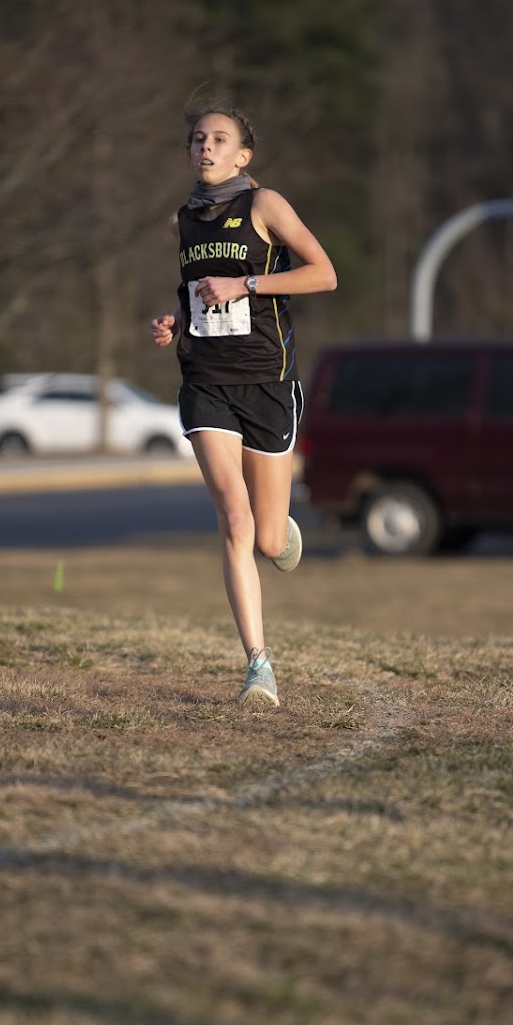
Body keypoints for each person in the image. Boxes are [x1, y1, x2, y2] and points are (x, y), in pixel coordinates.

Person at [151, 104, 337, 707]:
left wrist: (246, 283)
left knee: (266, 541)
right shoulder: (181, 222)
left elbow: (324, 274)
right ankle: (259, 666)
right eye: (197, 139)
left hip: (267, 381)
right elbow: (197, 296)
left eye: (218, 139)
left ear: (242, 155)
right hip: (206, 382)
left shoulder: (265, 205)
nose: (205, 147)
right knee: (234, 519)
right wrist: (174, 321)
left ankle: (279, 532)